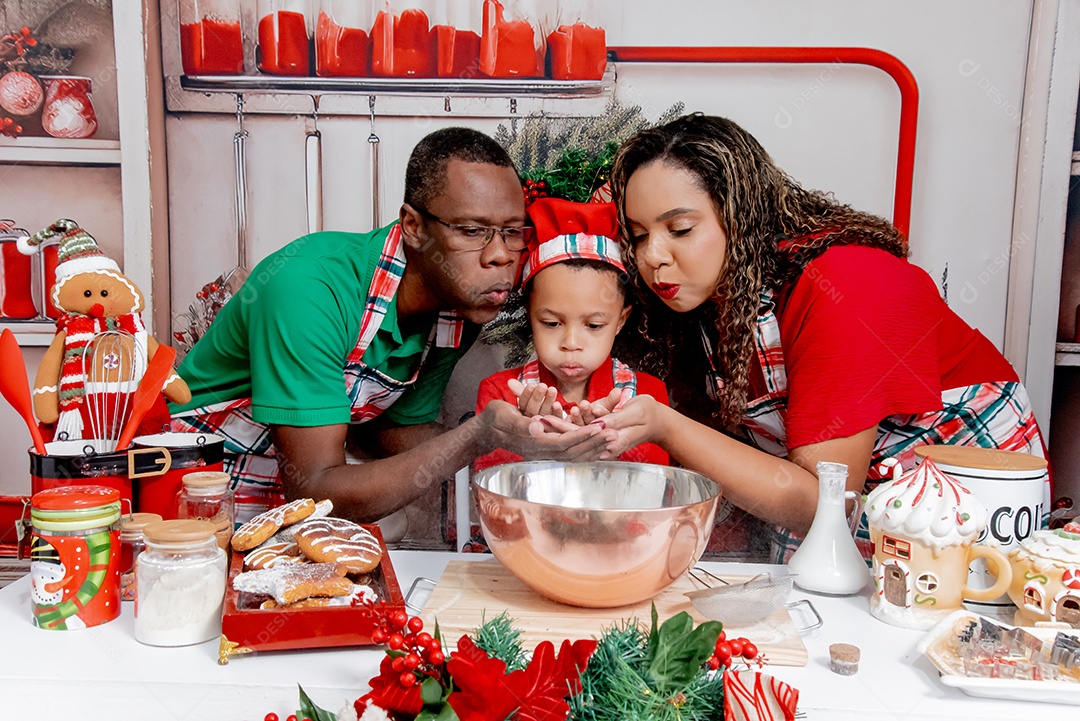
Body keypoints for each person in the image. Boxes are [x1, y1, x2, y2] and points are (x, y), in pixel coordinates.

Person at [582, 113, 1047, 561]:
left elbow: (824, 504)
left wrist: (665, 424)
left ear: (741, 216)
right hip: (839, 502)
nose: (653, 256)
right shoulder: (705, 297)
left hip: (966, 512)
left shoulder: (848, 285)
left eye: (679, 229)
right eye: (639, 236)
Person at [170, 127, 614, 524]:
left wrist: (520, 437)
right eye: (472, 230)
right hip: (189, 498)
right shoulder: (310, 288)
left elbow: (385, 433)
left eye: (513, 231)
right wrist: (476, 435)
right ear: (414, 226)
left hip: (285, 517)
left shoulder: (459, 310)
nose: (500, 256)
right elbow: (314, 492)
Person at [473, 197, 669, 471]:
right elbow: (490, 484)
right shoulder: (501, 394)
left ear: (621, 321)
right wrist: (533, 444)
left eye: (593, 325)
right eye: (552, 323)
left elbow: (654, 485)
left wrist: (601, 446)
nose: (571, 344)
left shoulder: (646, 397)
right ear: (530, 316)